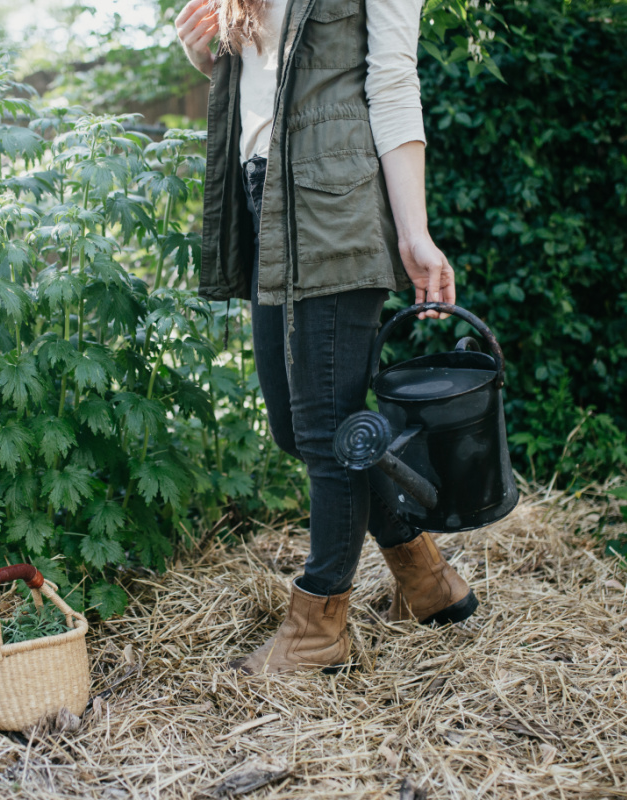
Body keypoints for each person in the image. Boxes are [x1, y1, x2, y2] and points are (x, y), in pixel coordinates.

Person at [176, 0, 476, 675]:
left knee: (327, 434)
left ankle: (316, 630)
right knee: (296, 428)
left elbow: (393, 83)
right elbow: (263, 71)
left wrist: (413, 232)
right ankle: (427, 580)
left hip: (334, 204)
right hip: (262, 192)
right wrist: (203, 51)